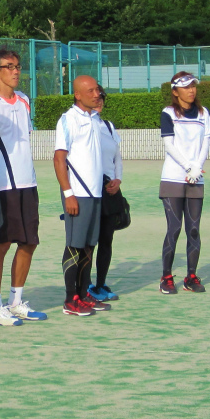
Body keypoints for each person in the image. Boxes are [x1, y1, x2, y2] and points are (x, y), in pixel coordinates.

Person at [0, 48, 48, 325]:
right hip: (1, 186)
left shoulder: (24, 100)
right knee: (2, 243)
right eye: (9, 66)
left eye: (18, 66)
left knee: (29, 241)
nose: (16, 71)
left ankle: (16, 302)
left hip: (28, 183)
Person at [53, 74, 111, 317]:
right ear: (77, 95)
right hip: (77, 194)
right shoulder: (68, 120)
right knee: (74, 246)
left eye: (97, 90)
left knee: (89, 246)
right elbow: (59, 159)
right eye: (90, 91)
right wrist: (68, 194)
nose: (97, 94)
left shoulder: (95, 119)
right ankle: (70, 300)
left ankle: (84, 293)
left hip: (95, 193)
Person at [159, 72, 210, 294]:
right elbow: (169, 145)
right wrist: (188, 167)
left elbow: (206, 143)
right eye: (186, 87)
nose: (191, 90)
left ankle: (191, 276)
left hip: (196, 178)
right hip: (172, 178)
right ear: (175, 91)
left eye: (193, 86)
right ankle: (166, 277)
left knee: (193, 230)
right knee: (174, 229)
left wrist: (197, 168)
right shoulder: (168, 113)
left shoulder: (203, 113)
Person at [88, 95, 125, 302]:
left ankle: (100, 284)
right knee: (88, 242)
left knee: (106, 240)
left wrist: (118, 179)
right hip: (89, 189)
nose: (99, 101)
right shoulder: (83, 124)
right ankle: (85, 286)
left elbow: (117, 157)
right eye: (95, 97)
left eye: (102, 97)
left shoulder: (109, 127)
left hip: (110, 189)